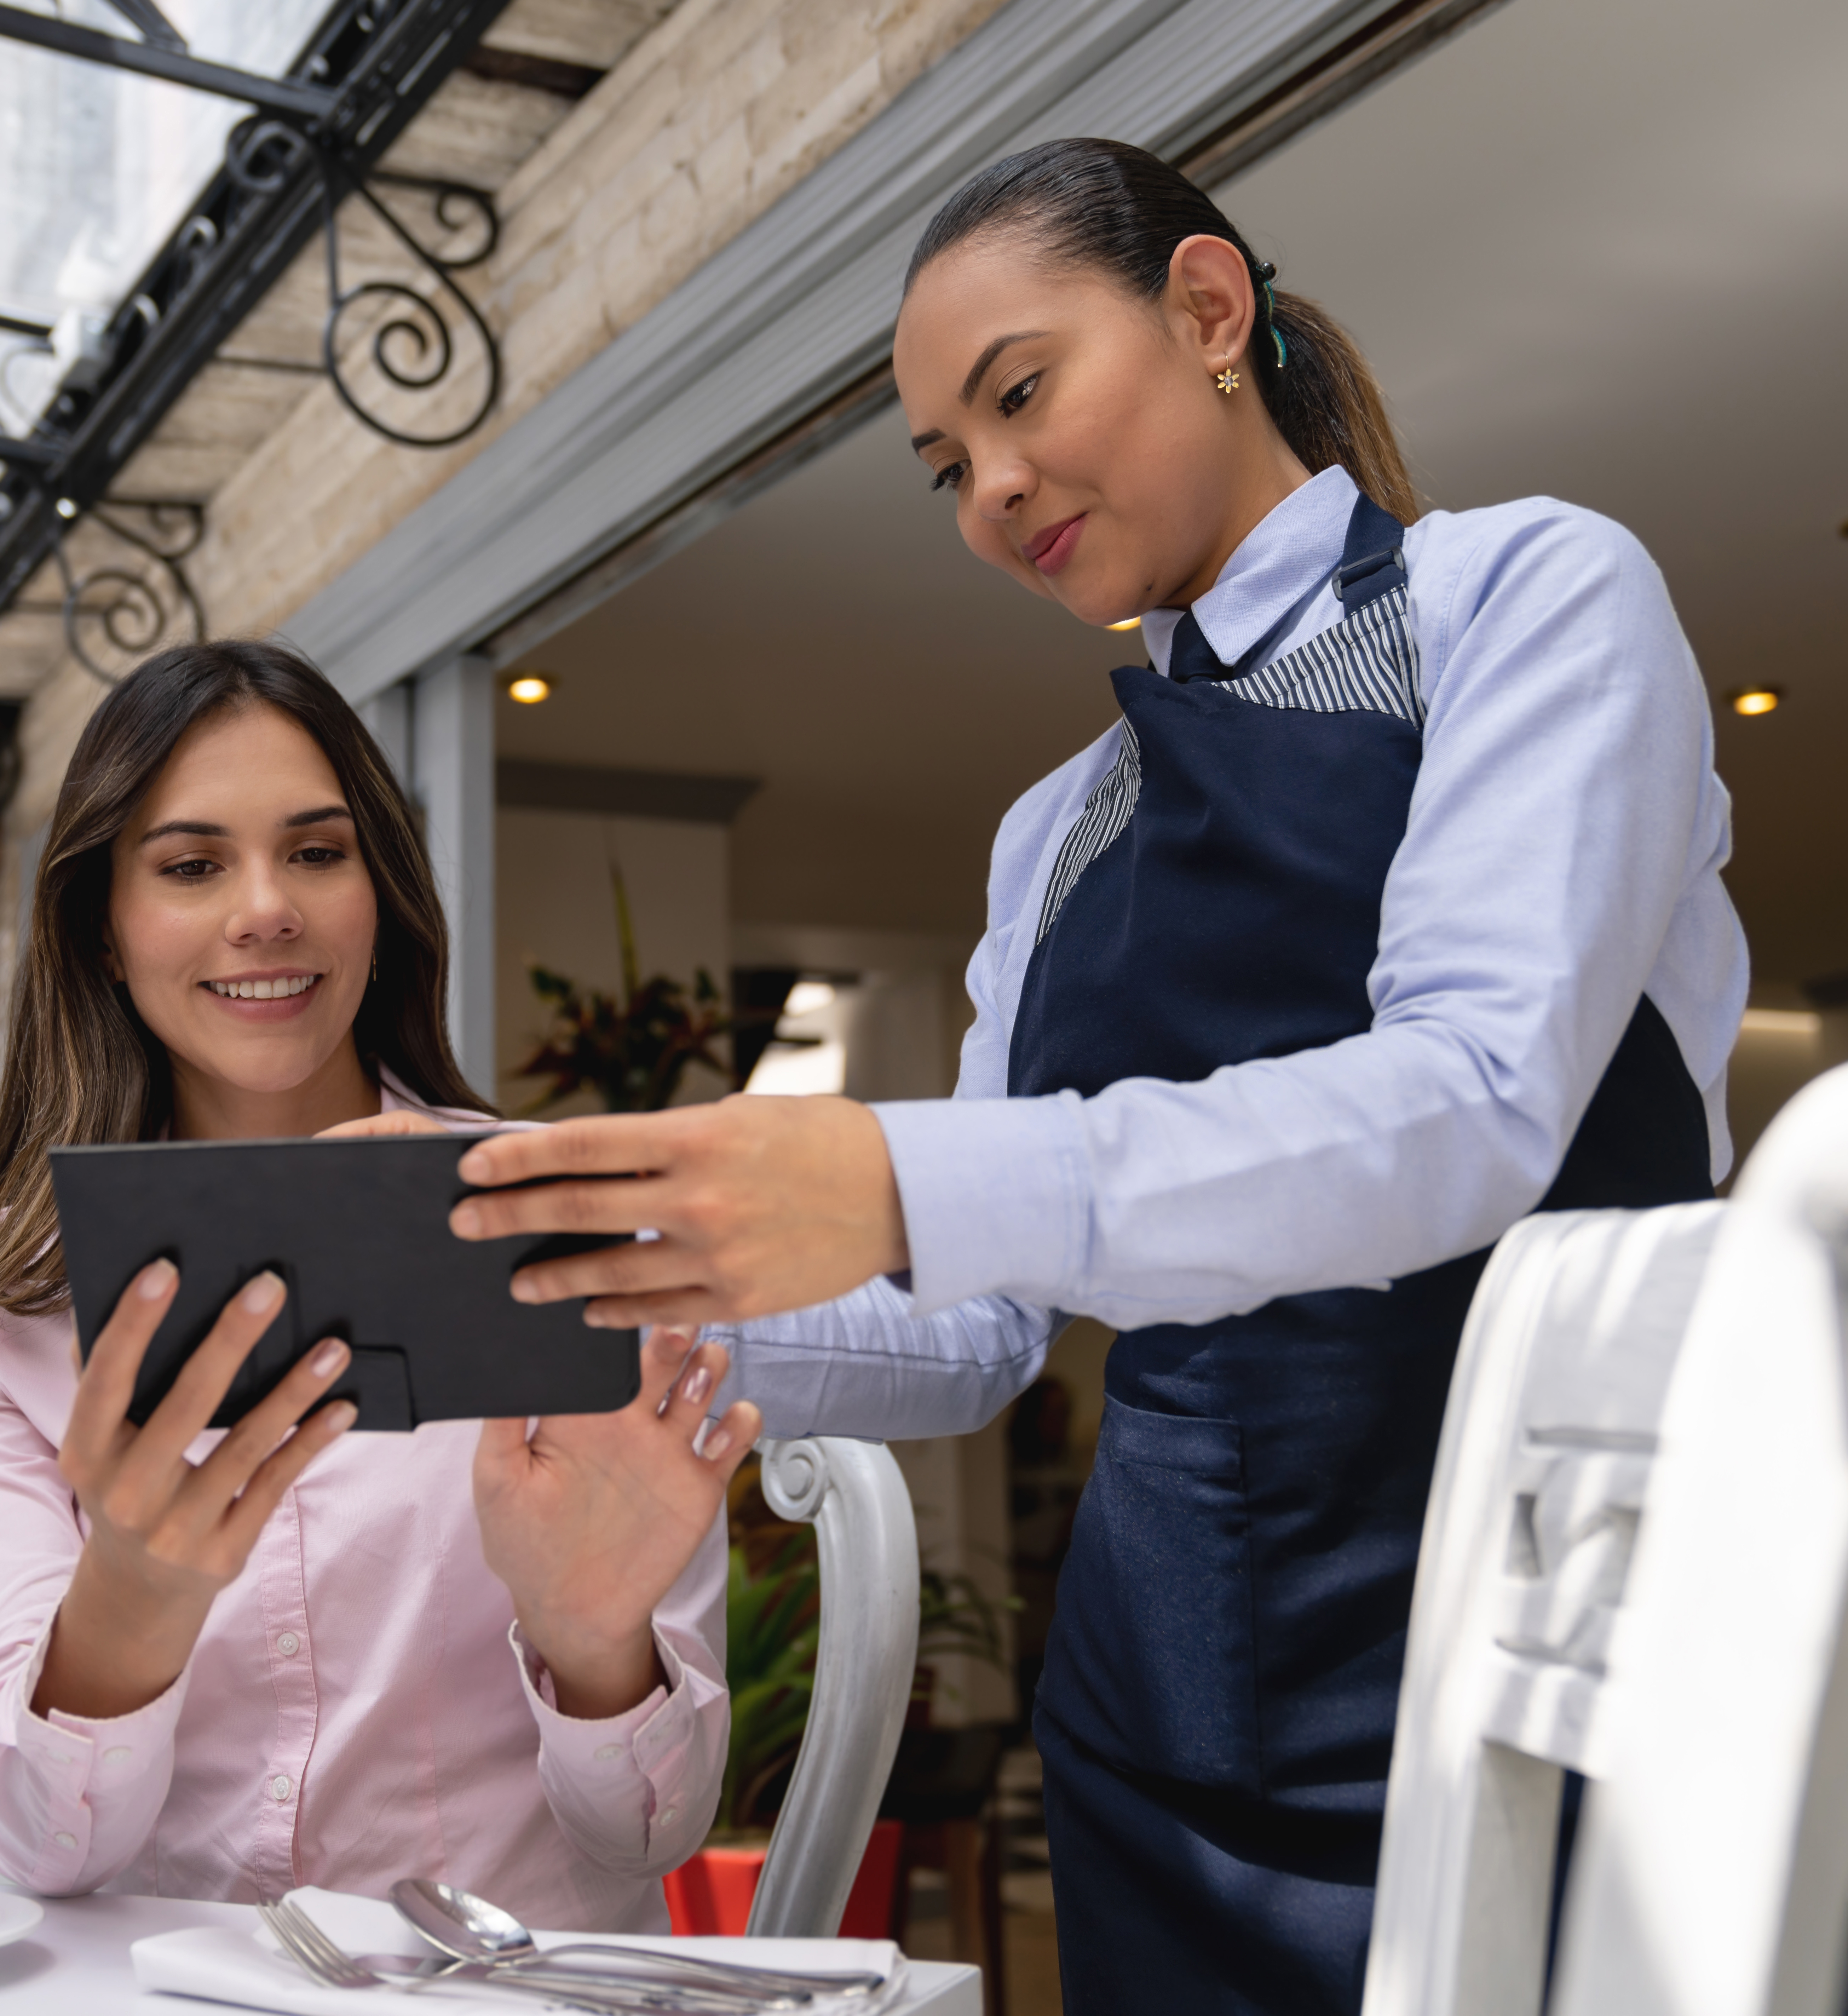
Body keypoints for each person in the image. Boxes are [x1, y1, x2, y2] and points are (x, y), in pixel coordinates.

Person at [442, 139, 1748, 2009]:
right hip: (1155, 1719)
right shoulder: (1054, 830)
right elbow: (985, 1328)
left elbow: (1472, 1099)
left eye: (1019, 395)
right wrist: (567, 1282)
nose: (986, 489)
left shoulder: (1523, 601)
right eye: (942, 466)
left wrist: (890, 1176)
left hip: (1541, 1676)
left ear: (1210, 312)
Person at [0, 640, 758, 1929]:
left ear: (381, 894)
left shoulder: (563, 1228)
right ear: (101, 924)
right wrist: (132, 1600)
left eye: (316, 851)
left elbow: (651, 1832)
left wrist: (593, 1645)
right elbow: (41, 1852)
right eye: (192, 865)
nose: (267, 909)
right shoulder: (2, 1302)